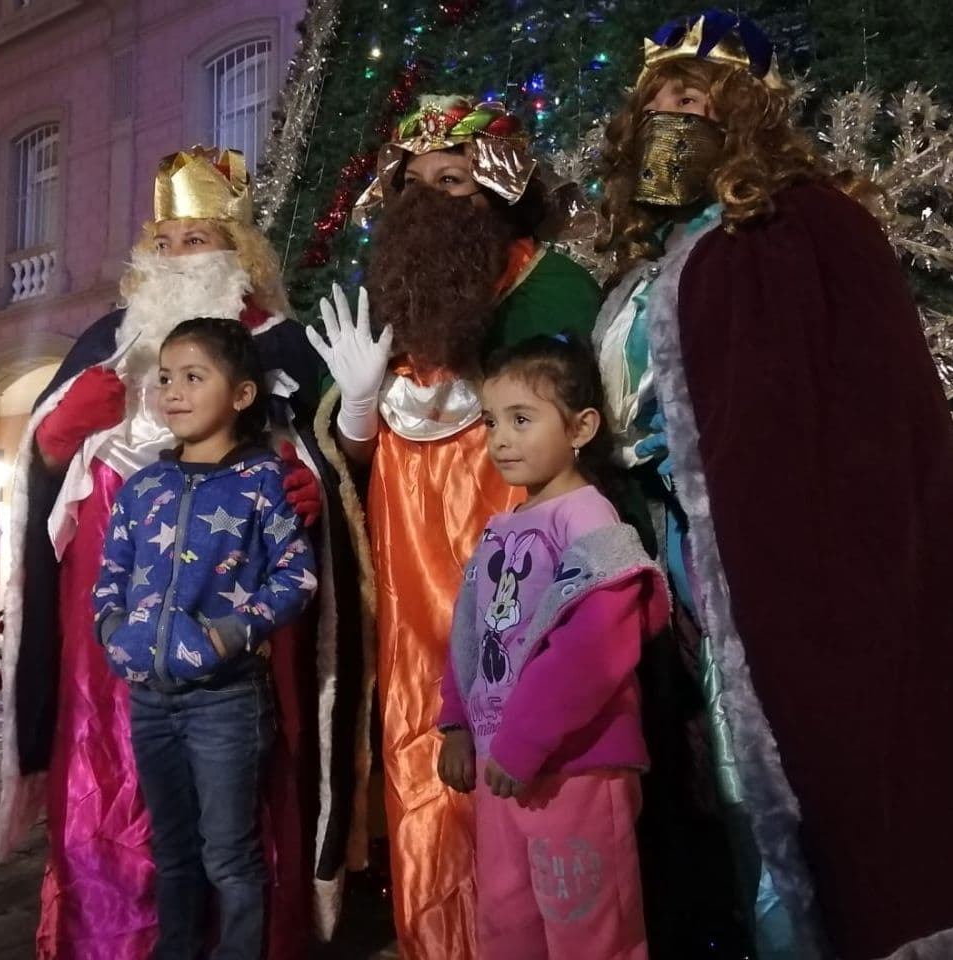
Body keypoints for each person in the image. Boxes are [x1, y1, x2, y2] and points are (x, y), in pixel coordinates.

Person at [594, 11, 953, 959]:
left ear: (746, 112)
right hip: (688, 562)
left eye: (699, 95)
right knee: (726, 780)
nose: (676, 112)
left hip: (798, 561)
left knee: (827, 780)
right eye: (663, 96)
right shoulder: (661, 264)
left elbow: (857, 417)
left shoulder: (800, 222)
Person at [0, 147, 363, 959]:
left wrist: (309, 486)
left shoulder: (280, 344)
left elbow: (330, 454)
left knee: (236, 812)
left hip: (232, 627)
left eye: (196, 239)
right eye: (163, 240)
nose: (175, 255)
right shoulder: (108, 338)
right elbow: (44, 455)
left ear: (236, 250)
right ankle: (112, 933)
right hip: (113, 612)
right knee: (111, 767)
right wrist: (59, 432)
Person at [309, 95, 602, 959]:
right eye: (418, 186)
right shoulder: (393, 298)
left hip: (518, 557)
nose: (435, 201)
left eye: (457, 181)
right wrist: (360, 406)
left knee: (523, 740)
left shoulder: (550, 285)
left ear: (501, 193)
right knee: (420, 742)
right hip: (410, 582)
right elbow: (355, 466)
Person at [436, 335, 668, 960]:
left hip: (574, 766)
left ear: (581, 427)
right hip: (501, 767)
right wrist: (456, 723)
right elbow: (473, 629)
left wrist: (524, 742)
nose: (501, 439)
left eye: (521, 419)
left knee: (587, 927)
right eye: (491, 422)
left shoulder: (590, 520)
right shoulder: (503, 527)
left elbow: (595, 649)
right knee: (509, 919)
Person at [93, 316, 317, 960]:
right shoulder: (143, 487)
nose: (175, 392)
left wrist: (225, 637)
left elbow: (296, 577)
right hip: (149, 701)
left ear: (242, 395)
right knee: (172, 847)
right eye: (166, 378)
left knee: (229, 851)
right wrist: (117, 634)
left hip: (226, 701)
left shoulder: (261, 482)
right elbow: (111, 575)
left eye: (195, 377)